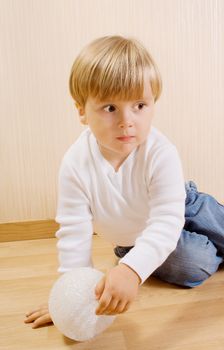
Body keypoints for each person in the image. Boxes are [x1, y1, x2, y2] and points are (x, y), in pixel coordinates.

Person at [24, 35, 224, 329]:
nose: (127, 121)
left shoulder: (160, 152)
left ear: (153, 104)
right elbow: (74, 233)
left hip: (183, 207)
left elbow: (167, 219)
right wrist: (69, 297)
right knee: (193, 267)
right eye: (110, 108)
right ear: (81, 110)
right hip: (136, 238)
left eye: (139, 105)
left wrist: (132, 271)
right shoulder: (74, 164)